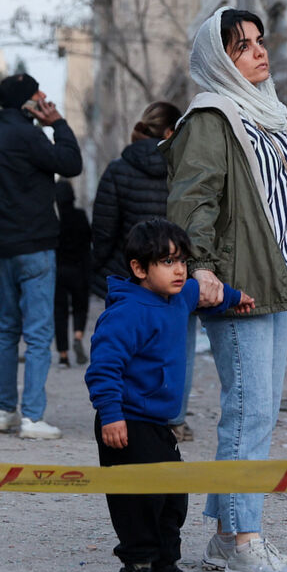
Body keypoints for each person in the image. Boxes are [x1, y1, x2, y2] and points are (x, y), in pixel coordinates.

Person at [165, 7, 287, 572]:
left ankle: (229, 533)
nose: (257, 51)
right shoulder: (210, 117)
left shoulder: (267, 115)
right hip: (239, 287)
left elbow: (285, 209)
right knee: (248, 413)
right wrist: (200, 271)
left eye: (258, 41)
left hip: (277, 284)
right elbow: (191, 203)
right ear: (217, 61)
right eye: (240, 45)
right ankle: (241, 540)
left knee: (261, 413)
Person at [86, 218, 254, 572]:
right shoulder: (126, 313)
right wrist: (111, 415)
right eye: (166, 262)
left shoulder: (178, 297)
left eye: (181, 260)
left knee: (172, 498)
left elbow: (204, 293)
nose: (179, 269)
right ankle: (136, 570)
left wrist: (234, 297)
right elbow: (103, 367)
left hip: (160, 423)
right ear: (139, 268)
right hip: (126, 421)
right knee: (139, 501)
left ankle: (165, 565)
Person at [0, 73, 81, 440]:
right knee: (38, 333)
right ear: (24, 103)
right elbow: (70, 164)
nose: (44, 96)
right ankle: (32, 417)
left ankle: (5, 412)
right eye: (37, 93)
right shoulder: (29, 135)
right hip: (34, 248)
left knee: (6, 332)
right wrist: (58, 123)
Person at [91, 101, 199, 441]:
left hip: (130, 277)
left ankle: (126, 409)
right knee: (178, 346)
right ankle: (174, 417)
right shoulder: (184, 170)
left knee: (123, 347)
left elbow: (104, 229)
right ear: (171, 133)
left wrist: (99, 269)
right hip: (177, 275)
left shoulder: (118, 169)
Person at [54, 180, 92, 367]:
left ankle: (63, 355)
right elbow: (88, 242)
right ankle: (78, 336)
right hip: (78, 269)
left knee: (59, 312)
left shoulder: (53, 219)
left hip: (58, 270)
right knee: (80, 306)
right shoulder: (80, 216)